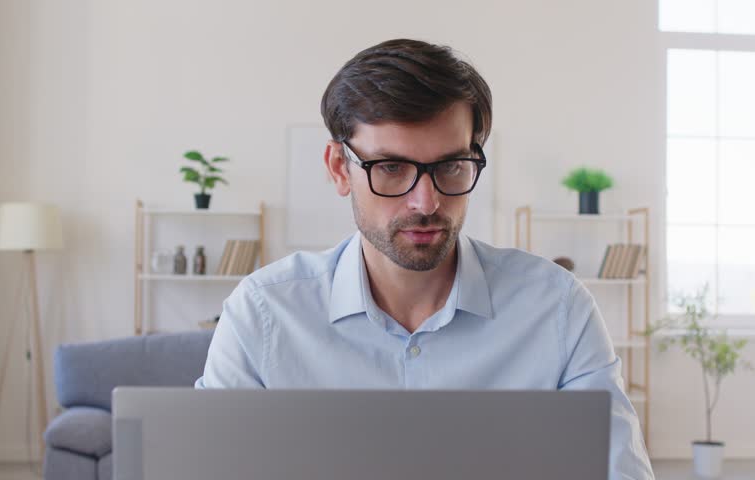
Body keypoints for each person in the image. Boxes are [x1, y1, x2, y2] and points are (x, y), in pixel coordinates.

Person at [196, 38, 654, 478]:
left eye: (451, 166)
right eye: (391, 168)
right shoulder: (263, 313)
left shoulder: (557, 307)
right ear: (339, 168)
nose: (426, 202)